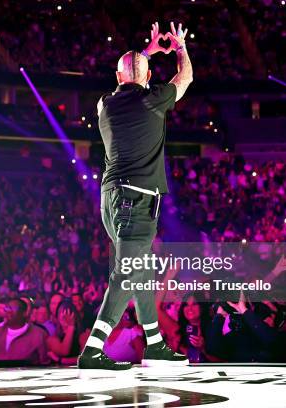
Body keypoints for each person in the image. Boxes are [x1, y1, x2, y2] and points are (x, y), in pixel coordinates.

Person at [78, 21, 193, 369]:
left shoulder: (104, 105)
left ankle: (155, 344)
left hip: (110, 200)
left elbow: (131, 72)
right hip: (137, 201)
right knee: (128, 272)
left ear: (117, 77)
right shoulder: (152, 99)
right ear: (146, 76)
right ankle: (93, 349)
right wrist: (180, 48)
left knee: (140, 272)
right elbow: (184, 78)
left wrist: (145, 52)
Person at [0, 298, 49, 365]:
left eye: (12, 309)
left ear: (24, 313)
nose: (8, 311)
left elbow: (45, 364)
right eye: (7, 309)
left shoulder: (38, 335)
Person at [46, 300, 89, 365]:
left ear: (74, 315)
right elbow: (64, 351)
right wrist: (71, 326)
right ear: (57, 316)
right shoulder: (52, 339)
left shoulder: (84, 334)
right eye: (61, 312)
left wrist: (59, 360)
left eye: (67, 312)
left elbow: (85, 359)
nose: (64, 316)